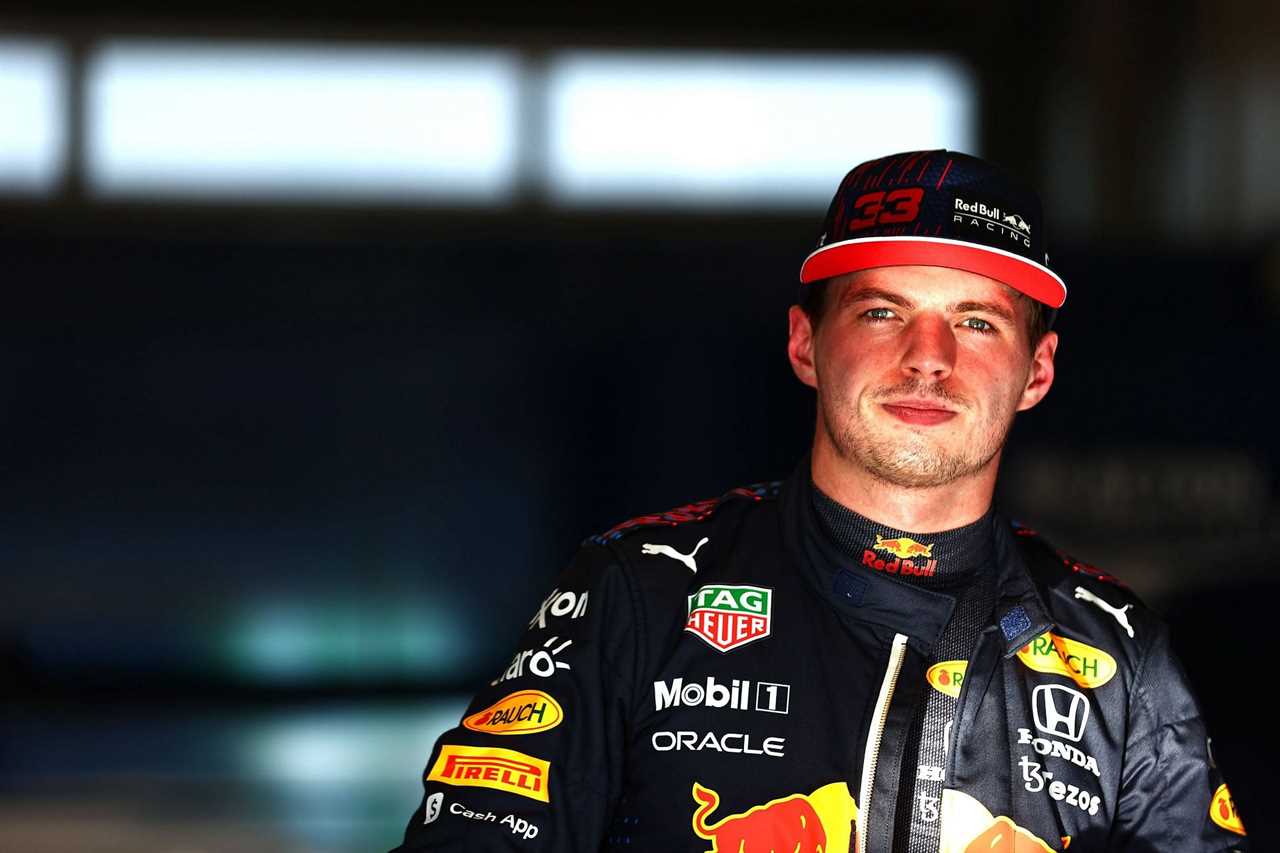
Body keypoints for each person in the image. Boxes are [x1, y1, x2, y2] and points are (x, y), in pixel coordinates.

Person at [390, 150, 1248, 852]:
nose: (928, 356)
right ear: (806, 344)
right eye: (882, 312)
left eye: (978, 321)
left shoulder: (1120, 655)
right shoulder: (637, 590)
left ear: (1040, 370)